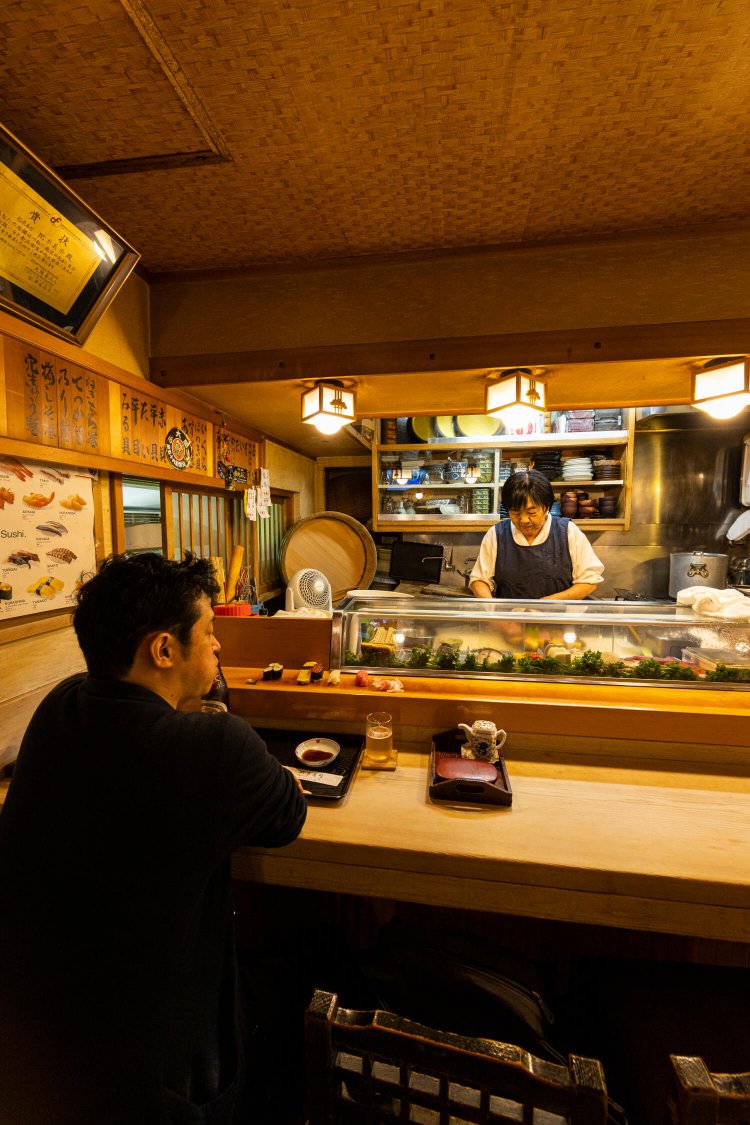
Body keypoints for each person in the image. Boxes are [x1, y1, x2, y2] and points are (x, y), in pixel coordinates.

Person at [0, 552, 307, 1125]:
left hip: (32, 1050)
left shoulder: (58, 705)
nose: (218, 647)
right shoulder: (216, 748)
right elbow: (287, 816)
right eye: (210, 632)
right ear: (164, 650)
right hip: (157, 1078)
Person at [468, 470, 604, 600]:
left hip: (558, 620)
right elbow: (479, 580)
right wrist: (495, 614)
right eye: (515, 513)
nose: (524, 520)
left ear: (546, 506)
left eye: (532, 513)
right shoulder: (496, 534)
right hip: (511, 620)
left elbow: (589, 581)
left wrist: (543, 607)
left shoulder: (568, 532)